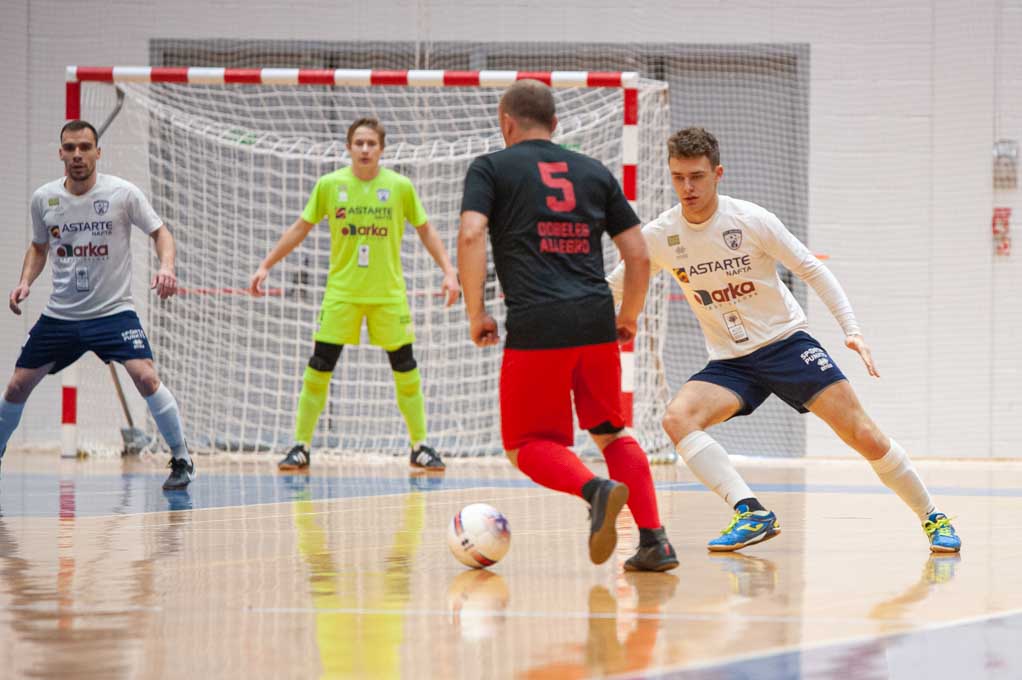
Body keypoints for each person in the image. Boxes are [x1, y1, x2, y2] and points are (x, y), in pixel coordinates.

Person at [608, 127, 960, 553]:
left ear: (718, 174)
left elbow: (812, 269)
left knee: (863, 434)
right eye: (678, 177)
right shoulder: (661, 235)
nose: (688, 188)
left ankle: (933, 517)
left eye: (697, 176)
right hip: (731, 361)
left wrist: (851, 330)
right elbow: (616, 285)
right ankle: (751, 512)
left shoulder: (751, 220)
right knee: (677, 419)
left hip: (785, 343)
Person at [458, 79, 678, 571]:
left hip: (537, 324)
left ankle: (595, 490)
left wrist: (477, 313)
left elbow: (471, 234)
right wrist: (627, 316)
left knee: (527, 445)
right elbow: (639, 254)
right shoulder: (593, 171)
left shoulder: (490, 167)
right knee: (611, 432)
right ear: (555, 124)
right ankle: (655, 542)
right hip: (595, 320)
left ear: (506, 123)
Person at [249, 117, 459, 471]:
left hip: (388, 295)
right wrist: (266, 264)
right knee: (319, 367)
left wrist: (449, 271)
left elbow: (426, 230)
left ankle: (420, 446)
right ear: (348, 147)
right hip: (342, 294)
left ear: (382, 149)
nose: (364, 149)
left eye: (371, 143)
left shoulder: (400, 186)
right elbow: (300, 227)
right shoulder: (330, 185)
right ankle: (301, 446)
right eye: (358, 143)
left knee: (406, 368)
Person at [2, 120, 194, 490]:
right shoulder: (44, 199)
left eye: (85, 147)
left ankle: (182, 458)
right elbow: (39, 247)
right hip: (61, 315)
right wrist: (25, 281)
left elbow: (161, 232)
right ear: (60, 153)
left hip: (113, 313)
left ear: (97, 152)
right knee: (16, 387)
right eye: (70, 148)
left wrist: (167, 267)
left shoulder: (122, 193)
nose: (78, 154)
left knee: (146, 376)